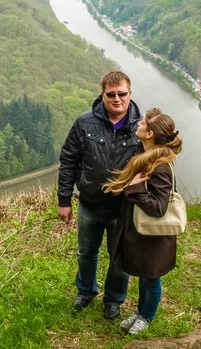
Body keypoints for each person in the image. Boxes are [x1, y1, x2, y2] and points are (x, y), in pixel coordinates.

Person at [57, 71, 142, 319]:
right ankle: (85, 291)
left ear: (130, 93)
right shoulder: (84, 123)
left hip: (123, 209)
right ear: (102, 94)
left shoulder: (143, 128)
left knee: (119, 258)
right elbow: (69, 160)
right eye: (111, 94)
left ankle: (113, 300)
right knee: (86, 253)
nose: (117, 99)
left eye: (122, 94)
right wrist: (64, 200)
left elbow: (157, 165)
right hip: (90, 205)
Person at [104, 108, 182, 335]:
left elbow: (158, 208)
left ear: (150, 135)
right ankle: (140, 312)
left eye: (143, 124)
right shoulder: (147, 155)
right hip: (142, 231)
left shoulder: (160, 166)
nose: (138, 123)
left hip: (154, 233)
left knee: (152, 276)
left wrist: (134, 188)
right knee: (145, 272)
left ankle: (146, 316)